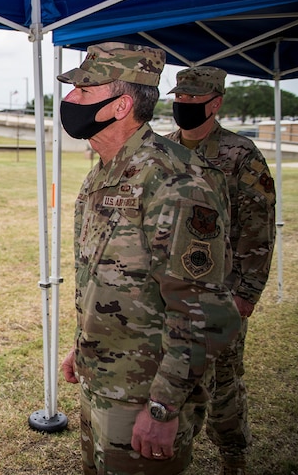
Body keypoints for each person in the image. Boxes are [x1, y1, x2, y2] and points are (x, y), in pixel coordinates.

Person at [57, 42, 241, 475]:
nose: (69, 100)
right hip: (103, 375)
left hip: (145, 392)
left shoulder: (175, 180)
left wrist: (163, 408)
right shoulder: (106, 171)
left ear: (120, 105)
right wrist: (84, 346)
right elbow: (108, 278)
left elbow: (199, 310)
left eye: (84, 91)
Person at [166, 66, 276, 475]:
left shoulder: (241, 154)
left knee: (223, 379)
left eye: (194, 100)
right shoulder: (163, 150)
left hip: (222, 290)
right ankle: (174, 452)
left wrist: (246, 292)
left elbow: (258, 228)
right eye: (180, 98)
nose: (185, 105)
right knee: (174, 375)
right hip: (171, 289)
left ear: (216, 103)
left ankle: (233, 454)